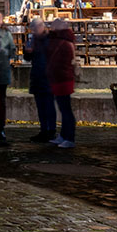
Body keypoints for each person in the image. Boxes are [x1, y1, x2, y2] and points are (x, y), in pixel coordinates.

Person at [45, 18, 77, 148]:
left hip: (62, 79)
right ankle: (64, 135)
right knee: (64, 108)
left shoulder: (60, 43)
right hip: (60, 78)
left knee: (65, 109)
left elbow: (60, 61)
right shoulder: (66, 41)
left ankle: (69, 137)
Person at [24, 18, 56, 142]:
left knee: (48, 105)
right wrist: (28, 53)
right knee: (41, 106)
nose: (34, 31)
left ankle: (51, 131)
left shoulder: (49, 40)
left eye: (35, 28)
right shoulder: (33, 40)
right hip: (38, 75)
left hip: (47, 76)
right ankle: (44, 130)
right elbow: (28, 58)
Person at [0, 12, 14, 145]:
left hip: (2, 71)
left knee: (1, 102)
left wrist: (8, 56)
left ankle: (1, 128)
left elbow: (12, 49)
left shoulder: (6, 34)